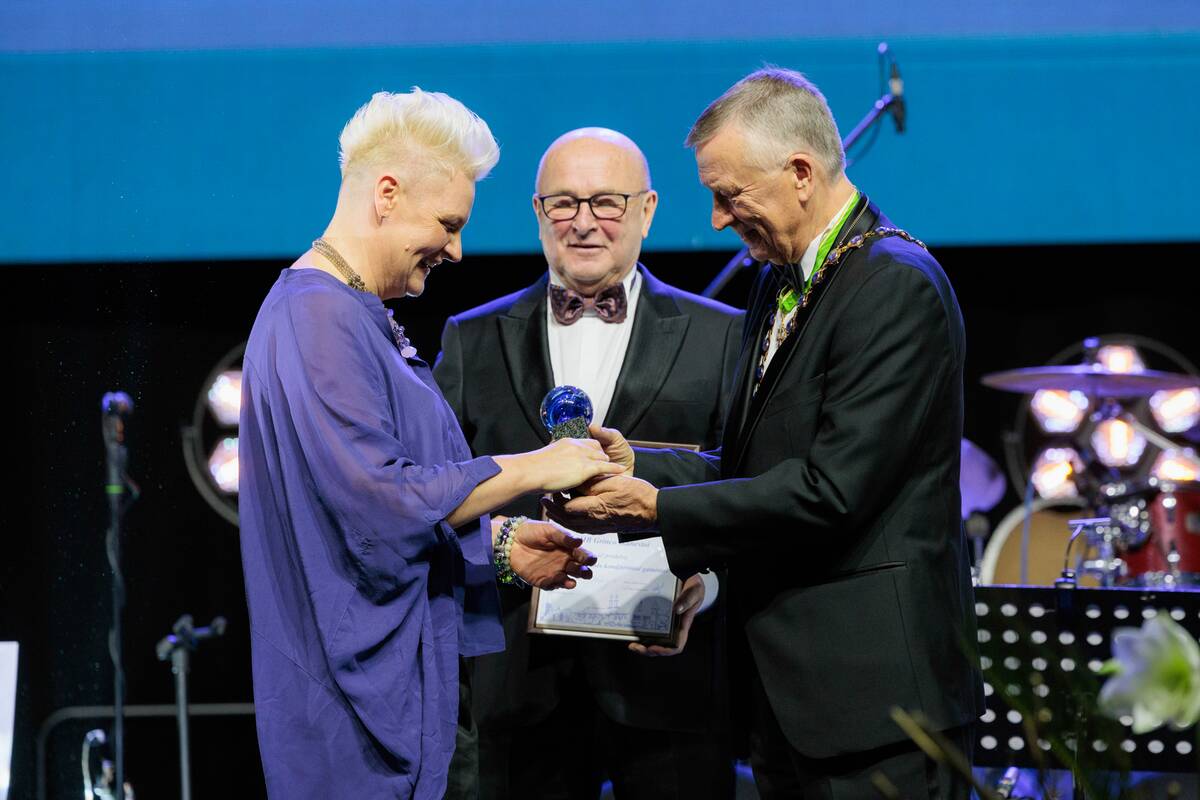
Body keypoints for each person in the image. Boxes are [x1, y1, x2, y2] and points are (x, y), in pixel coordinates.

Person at [546, 69, 981, 799]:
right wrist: (640, 468)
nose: (718, 219)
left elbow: (831, 491)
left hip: (880, 710)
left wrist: (655, 509)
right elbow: (755, 464)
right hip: (793, 701)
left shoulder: (894, 285)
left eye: (729, 194)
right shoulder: (779, 279)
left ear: (801, 173)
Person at [237, 89, 623, 800]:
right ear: (387, 194)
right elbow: (380, 503)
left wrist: (500, 544)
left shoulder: (355, 311)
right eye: (448, 224)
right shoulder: (315, 316)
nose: (456, 249)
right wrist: (537, 466)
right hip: (352, 724)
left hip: (400, 701)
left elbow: (369, 505)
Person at [434, 128, 743, 799]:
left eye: (606, 202)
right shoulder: (470, 338)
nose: (583, 222)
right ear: (538, 212)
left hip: (667, 680)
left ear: (647, 210)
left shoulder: (723, 334)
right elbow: (436, 496)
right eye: (563, 203)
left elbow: (745, 485)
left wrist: (710, 584)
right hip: (519, 682)